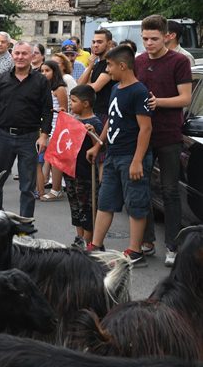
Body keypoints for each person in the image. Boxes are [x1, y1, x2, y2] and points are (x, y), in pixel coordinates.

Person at [85, 45, 153, 267]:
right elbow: (111, 120)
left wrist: (137, 160)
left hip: (131, 156)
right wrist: (99, 145)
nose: (108, 70)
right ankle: (96, 245)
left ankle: (135, 251)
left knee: (135, 203)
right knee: (105, 201)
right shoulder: (116, 88)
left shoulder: (139, 91)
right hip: (113, 155)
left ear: (123, 66)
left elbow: (145, 129)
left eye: (110, 66)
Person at [135, 15, 192, 267]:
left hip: (169, 135)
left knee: (170, 192)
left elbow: (185, 98)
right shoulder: (138, 61)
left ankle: (172, 245)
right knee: (140, 188)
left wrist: (159, 102)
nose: (149, 43)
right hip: (142, 134)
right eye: (145, 38)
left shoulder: (179, 61)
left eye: (154, 39)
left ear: (167, 36)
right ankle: (146, 241)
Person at [0, 41, 53, 218]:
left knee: (27, 186)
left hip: (29, 138)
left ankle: (24, 225)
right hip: (3, 136)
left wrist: (44, 135)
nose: (20, 57)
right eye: (17, 53)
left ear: (32, 57)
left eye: (25, 54)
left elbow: (47, 110)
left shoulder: (41, 81)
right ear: (12, 55)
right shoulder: (2, 79)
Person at [65, 84, 103, 249]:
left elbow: (100, 147)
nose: (71, 104)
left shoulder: (94, 122)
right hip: (71, 171)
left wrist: (92, 132)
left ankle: (88, 242)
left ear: (86, 103)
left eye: (73, 101)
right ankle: (79, 237)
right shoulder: (72, 119)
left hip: (86, 173)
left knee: (87, 207)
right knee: (75, 206)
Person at [37, 60, 68, 202]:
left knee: (56, 160)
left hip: (57, 127)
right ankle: (43, 185)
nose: (44, 73)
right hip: (46, 126)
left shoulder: (59, 88)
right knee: (46, 158)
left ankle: (56, 189)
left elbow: (64, 111)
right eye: (42, 71)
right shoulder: (44, 88)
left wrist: (59, 130)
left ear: (54, 72)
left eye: (47, 71)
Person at [79, 29, 117, 123]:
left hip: (105, 113)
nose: (95, 45)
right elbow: (80, 85)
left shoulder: (111, 63)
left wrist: (87, 84)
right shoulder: (96, 64)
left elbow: (95, 87)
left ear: (109, 43)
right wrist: (90, 65)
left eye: (99, 42)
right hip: (94, 111)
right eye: (94, 42)